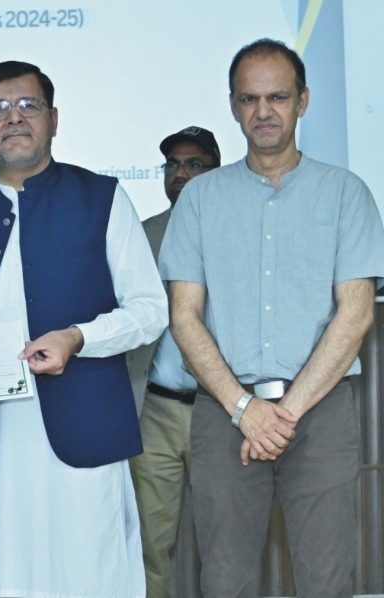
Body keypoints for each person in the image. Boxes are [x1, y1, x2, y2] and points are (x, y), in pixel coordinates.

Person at [0, 60, 167, 598]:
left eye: (28, 105)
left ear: (53, 118)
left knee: (85, 573)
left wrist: (78, 337)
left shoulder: (102, 198)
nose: (14, 118)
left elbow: (150, 310)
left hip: (82, 428)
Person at [159, 38, 384, 598]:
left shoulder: (346, 194)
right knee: (225, 581)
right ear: (234, 107)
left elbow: (355, 315)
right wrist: (245, 409)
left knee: (327, 580)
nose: (263, 111)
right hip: (223, 413)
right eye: (249, 99)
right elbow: (184, 319)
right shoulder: (199, 200)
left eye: (277, 97)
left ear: (302, 101)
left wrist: (280, 416)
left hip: (321, 412)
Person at [126, 125, 219, 598]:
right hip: (155, 412)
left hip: (221, 412)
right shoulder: (141, 237)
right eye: (172, 165)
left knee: (227, 542)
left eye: (194, 164)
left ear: (216, 173)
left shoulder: (239, 233)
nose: (180, 174)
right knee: (149, 544)